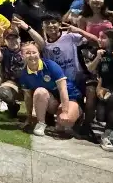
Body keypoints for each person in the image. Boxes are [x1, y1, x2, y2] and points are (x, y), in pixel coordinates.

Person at [27, 12, 100, 140]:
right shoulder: (42, 45)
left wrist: (80, 31)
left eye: (54, 22)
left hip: (74, 86)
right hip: (55, 89)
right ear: (43, 27)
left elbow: (96, 41)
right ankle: (46, 117)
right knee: (41, 93)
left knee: (64, 121)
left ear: (60, 24)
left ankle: (83, 121)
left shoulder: (71, 36)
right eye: (47, 23)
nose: (51, 25)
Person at [19, 42, 81, 137]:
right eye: (27, 53)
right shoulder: (24, 74)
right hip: (53, 101)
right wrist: (29, 117)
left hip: (69, 97)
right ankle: (41, 124)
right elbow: (27, 97)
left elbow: (63, 90)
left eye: (34, 52)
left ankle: (78, 115)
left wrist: (64, 112)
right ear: (22, 55)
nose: (31, 55)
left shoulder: (51, 66)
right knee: (40, 91)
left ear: (39, 53)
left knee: (66, 121)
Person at [0, 22, 26, 118]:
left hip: (29, 84)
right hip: (12, 84)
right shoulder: (4, 51)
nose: (12, 41)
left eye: (14, 38)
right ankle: (13, 107)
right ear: (5, 41)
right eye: (8, 39)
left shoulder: (27, 49)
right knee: (3, 92)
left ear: (19, 39)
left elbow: (42, 44)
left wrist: (27, 28)